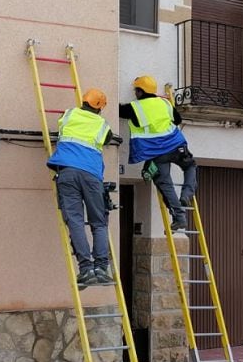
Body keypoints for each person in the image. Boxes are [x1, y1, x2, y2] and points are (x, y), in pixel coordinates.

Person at [47, 89, 117, 289]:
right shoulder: (103, 125)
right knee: (99, 222)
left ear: (84, 101)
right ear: (100, 108)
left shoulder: (68, 115)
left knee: (75, 221)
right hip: (91, 176)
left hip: (67, 173)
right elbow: (107, 139)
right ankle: (101, 268)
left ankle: (85, 269)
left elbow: (61, 126)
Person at [119, 75, 196, 233]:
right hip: (176, 145)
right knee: (190, 166)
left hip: (156, 152)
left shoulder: (135, 107)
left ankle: (179, 217)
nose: (135, 93)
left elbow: (119, 111)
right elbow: (177, 119)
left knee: (165, 184)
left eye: (136, 90)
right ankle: (187, 194)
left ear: (140, 92)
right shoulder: (165, 103)